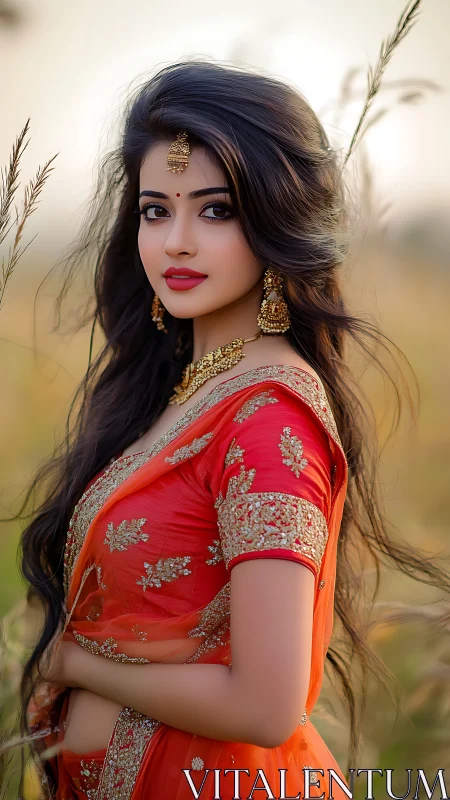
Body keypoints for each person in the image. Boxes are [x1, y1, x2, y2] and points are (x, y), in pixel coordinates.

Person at [16, 61, 450, 800]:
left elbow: (268, 706)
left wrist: (73, 664)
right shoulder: (189, 388)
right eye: (156, 210)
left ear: (278, 218)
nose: (176, 242)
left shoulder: (268, 419)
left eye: (215, 211)